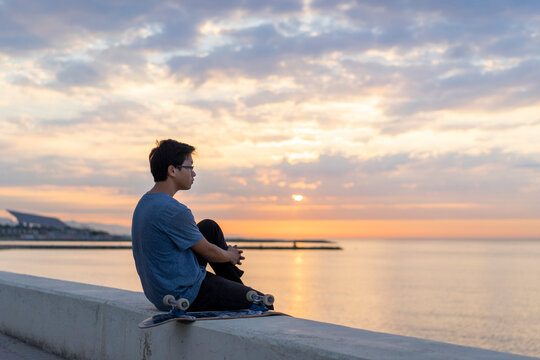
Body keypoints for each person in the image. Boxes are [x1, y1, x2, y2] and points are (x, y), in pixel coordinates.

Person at [132, 139, 271, 312]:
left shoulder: (145, 202)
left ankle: (238, 289)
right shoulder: (174, 210)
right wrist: (230, 255)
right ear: (172, 170)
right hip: (184, 293)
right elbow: (208, 251)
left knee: (208, 227)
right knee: (263, 303)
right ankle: (243, 293)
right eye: (190, 167)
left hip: (159, 292)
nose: (194, 173)